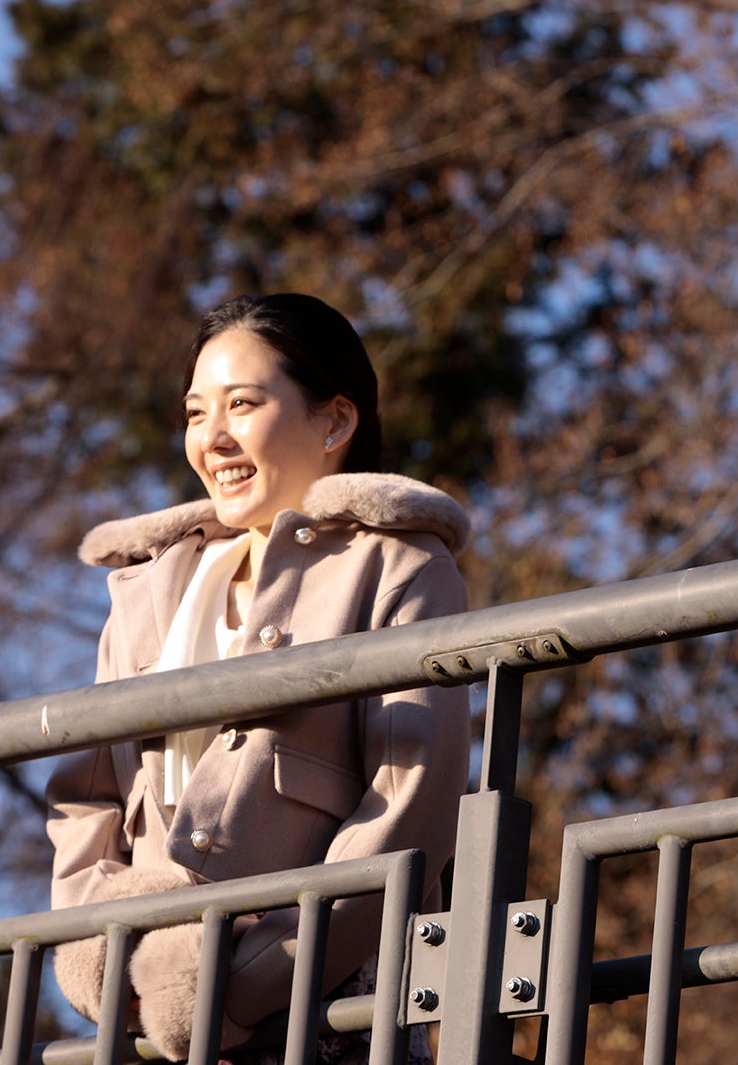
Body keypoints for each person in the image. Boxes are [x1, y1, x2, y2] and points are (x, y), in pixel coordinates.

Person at [47, 293, 471, 1064]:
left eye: (241, 404)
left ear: (334, 421)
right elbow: (89, 799)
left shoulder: (399, 565)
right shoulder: (145, 591)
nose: (212, 437)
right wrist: (94, 954)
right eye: (195, 412)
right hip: (154, 1020)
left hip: (329, 1008)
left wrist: (237, 984)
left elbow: (408, 805)